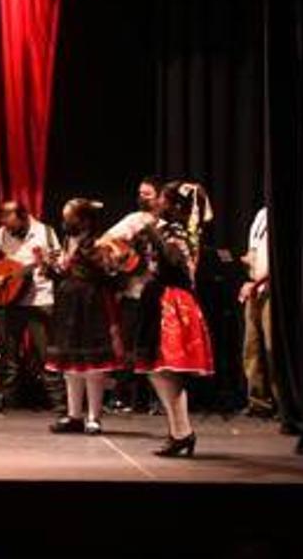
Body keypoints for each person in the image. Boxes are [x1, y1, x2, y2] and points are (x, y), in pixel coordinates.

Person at [134, 182, 216, 457]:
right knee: (158, 370)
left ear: (175, 205)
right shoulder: (169, 228)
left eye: (163, 199)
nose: (157, 202)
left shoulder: (180, 230)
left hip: (173, 302)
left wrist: (152, 232)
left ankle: (181, 432)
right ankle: (180, 431)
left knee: (162, 369)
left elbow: (175, 261)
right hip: (161, 298)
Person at [46, 199, 123, 435]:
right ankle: (74, 415)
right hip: (69, 306)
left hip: (91, 307)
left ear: (84, 220)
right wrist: (50, 267)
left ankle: (94, 417)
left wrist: (93, 256)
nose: (65, 223)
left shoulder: (99, 243)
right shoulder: (68, 241)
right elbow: (65, 273)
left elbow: (110, 275)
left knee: (92, 366)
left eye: (70, 218)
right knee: (70, 365)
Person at [0, 201, 62, 411]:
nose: (5, 224)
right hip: (10, 298)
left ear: (23, 216)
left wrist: (47, 264)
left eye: (10, 219)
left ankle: (60, 404)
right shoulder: (3, 232)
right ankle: (7, 402)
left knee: (46, 354)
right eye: (3, 219)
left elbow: (58, 262)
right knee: (8, 353)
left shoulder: (46, 233)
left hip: (40, 300)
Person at [97, 176, 162, 411]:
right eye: (140, 193)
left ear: (160, 197)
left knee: (155, 346)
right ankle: (122, 395)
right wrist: (121, 255)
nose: (142, 197)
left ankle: (155, 399)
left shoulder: (167, 222)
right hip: (133, 292)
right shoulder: (134, 219)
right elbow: (103, 241)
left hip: (159, 293)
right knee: (128, 346)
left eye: (147, 194)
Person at [239, 206, 288, 427]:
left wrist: (256, 283)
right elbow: (254, 250)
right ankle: (258, 402)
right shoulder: (260, 214)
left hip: (271, 289)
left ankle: (283, 403)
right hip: (255, 288)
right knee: (252, 347)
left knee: (272, 348)